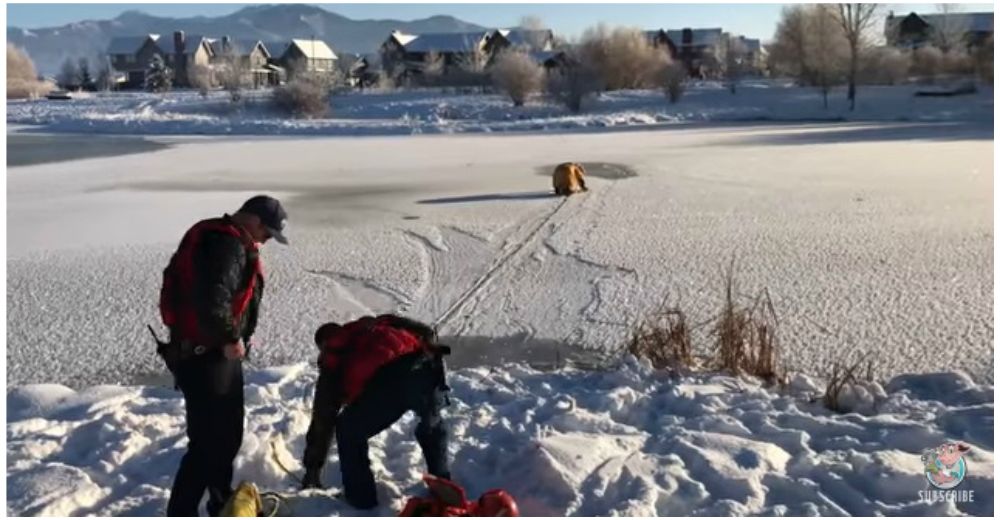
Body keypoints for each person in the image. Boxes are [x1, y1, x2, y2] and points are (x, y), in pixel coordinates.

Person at [156, 195, 288, 516]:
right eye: (268, 233)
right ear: (254, 221)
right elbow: (212, 297)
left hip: (211, 356)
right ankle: (182, 512)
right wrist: (230, 337)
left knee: (225, 437)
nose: (266, 240)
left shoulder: (226, 239)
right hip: (206, 357)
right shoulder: (225, 245)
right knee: (207, 444)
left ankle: (221, 501)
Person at [302, 314, 451, 509]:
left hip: (387, 387)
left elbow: (323, 419)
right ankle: (444, 484)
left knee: (348, 430)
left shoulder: (333, 361)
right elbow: (426, 331)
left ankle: (360, 499)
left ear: (323, 345)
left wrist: (313, 468)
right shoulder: (377, 323)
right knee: (431, 424)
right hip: (425, 369)